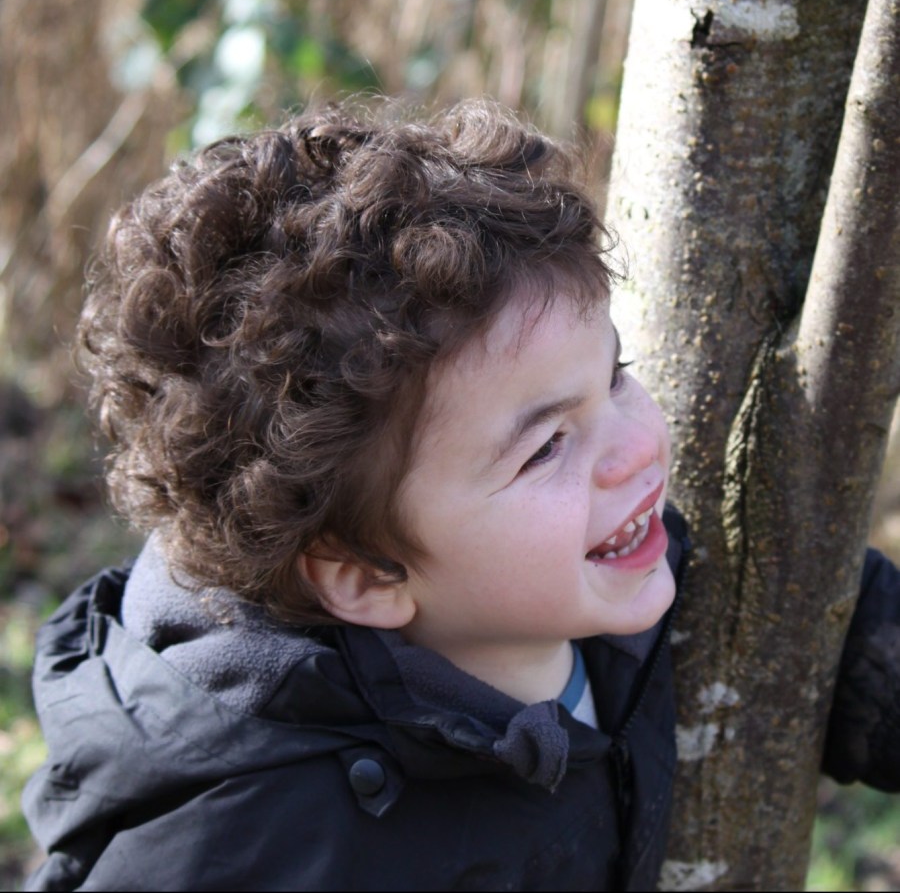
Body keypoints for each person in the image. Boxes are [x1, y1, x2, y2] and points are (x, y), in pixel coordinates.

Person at [22, 100, 900, 891]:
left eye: (617, 376)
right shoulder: (250, 849)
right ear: (365, 574)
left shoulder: (627, 574)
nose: (639, 450)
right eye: (548, 446)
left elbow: (833, 633)